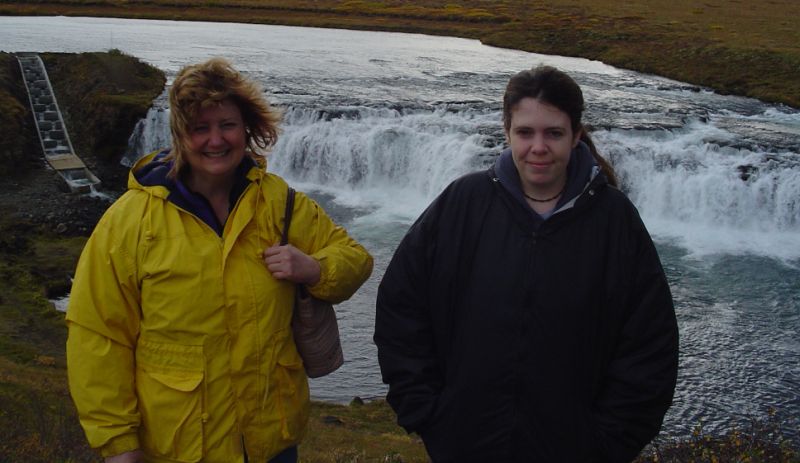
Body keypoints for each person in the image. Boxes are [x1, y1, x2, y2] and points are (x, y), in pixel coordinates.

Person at [66, 57, 373, 463]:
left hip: (271, 441)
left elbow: (356, 259)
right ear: (180, 135)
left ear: (246, 128)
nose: (216, 140)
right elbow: (99, 334)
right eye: (200, 128)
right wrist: (117, 442)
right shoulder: (130, 221)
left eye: (227, 125)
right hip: (180, 446)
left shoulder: (278, 203)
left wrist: (314, 269)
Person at [374, 65, 678, 462]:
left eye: (554, 133)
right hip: (464, 446)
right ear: (507, 132)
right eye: (525, 132)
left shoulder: (614, 221)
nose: (538, 147)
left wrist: (606, 443)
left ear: (576, 135)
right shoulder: (464, 203)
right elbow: (401, 304)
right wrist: (427, 411)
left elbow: (650, 344)